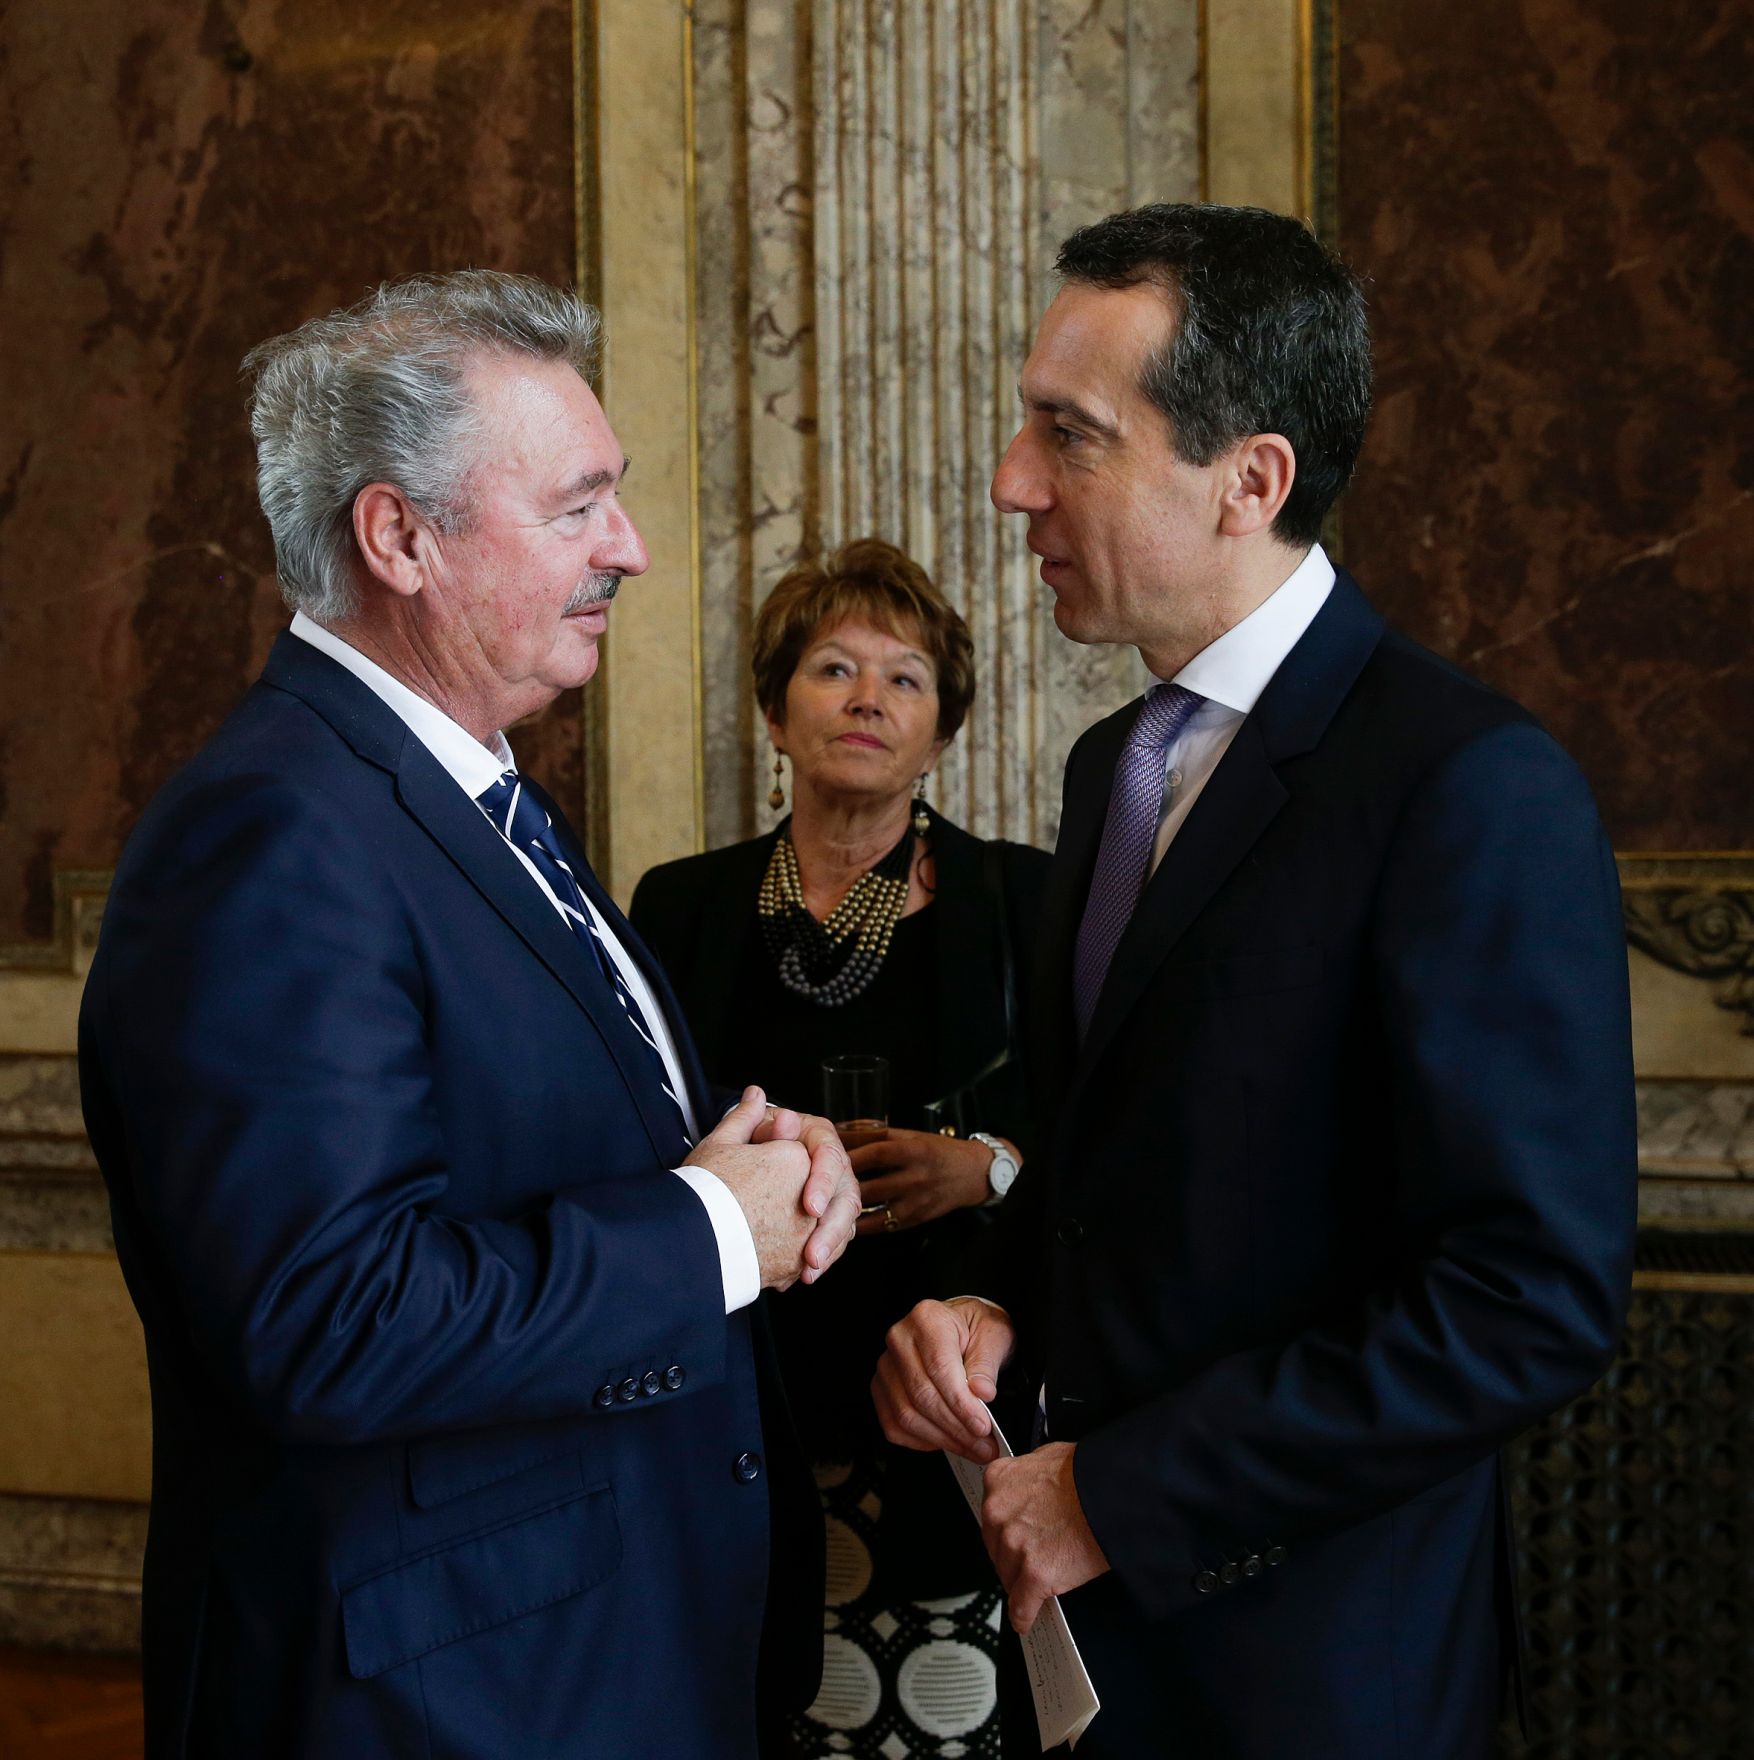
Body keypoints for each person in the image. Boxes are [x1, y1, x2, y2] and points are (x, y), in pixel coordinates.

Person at [871, 203, 1637, 1758]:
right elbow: (1112, 1175)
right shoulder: (1111, 771)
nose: (1012, 483)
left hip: (1314, 1673)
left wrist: (1127, 1495)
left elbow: (1528, 1299)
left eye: (1065, 437)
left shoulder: (1467, 785)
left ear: (1252, 481)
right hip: (1093, 1658)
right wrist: (987, 1302)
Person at [77, 270, 862, 1759]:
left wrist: (748, 1169)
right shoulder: (269, 835)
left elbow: (531, 1147)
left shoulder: (475, 791)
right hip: (444, 1700)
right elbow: (330, 1317)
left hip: (590, 1654)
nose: (626, 548)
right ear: (399, 537)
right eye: (577, 507)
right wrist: (708, 1234)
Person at [631, 538, 1050, 1760]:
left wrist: (989, 1165)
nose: (867, 697)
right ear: (774, 708)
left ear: (941, 728)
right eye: (832, 666)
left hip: (938, 1384)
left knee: (943, 1717)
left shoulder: (1023, 901)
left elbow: (1104, 1130)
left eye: (904, 678)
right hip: (739, 1384)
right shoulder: (679, 905)